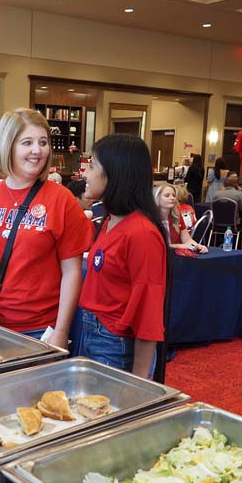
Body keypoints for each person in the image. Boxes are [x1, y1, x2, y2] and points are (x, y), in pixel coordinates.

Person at [0, 108, 93, 348]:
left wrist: (61, 331)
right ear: (7, 146)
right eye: (27, 142)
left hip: (38, 328)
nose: (37, 151)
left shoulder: (62, 200)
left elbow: (73, 273)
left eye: (43, 142)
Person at [75, 134, 167, 379]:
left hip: (115, 345)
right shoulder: (110, 220)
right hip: (94, 334)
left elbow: (148, 316)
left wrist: (139, 385)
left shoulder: (142, 233)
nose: (85, 173)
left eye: (92, 165)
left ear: (116, 173)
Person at [154, 183, 208, 254]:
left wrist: (197, 246)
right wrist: (182, 246)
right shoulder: (151, 219)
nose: (172, 198)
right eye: (167, 196)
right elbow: (159, 246)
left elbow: (187, 240)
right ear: (156, 198)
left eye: (174, 195)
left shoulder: (176, 215)